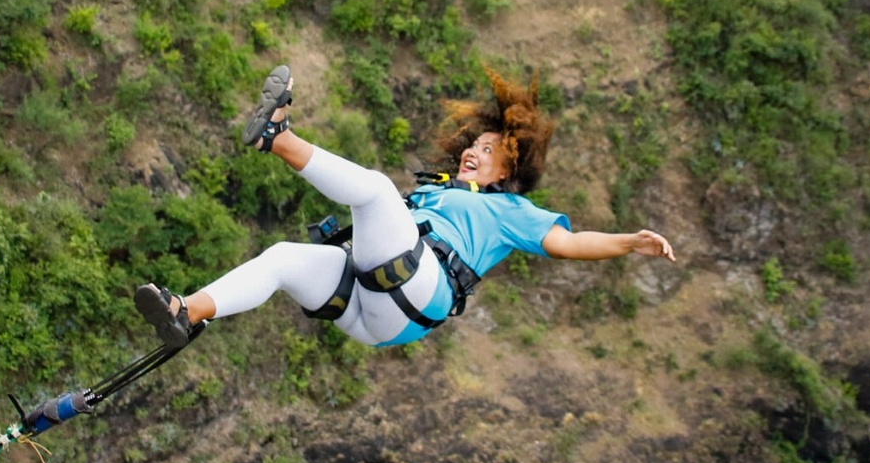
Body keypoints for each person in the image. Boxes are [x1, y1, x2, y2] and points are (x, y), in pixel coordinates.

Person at [134, 65, 676, 349]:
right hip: (374, 313)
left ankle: (275, 138)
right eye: (473, 144)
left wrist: (630, 242)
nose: (472, 151)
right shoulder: (436, 191)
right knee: (281, 258)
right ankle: (187, 311)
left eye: (488, 150)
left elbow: (569, 243)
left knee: (374, 189)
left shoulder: (510, 211)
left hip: (417, 295)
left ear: (507, 169)